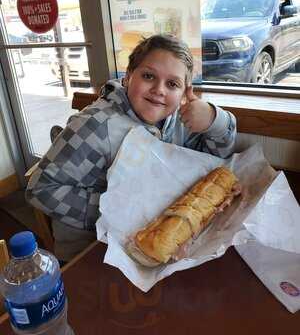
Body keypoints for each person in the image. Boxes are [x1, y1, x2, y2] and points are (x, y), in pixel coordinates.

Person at [26, 34, 237, 261]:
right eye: (148, 76)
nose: (159, 89)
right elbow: (40, 188)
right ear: (127, 77)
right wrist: (123, 209)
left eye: (172, 84)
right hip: (88, 252)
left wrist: (216, 121)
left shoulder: (178, 120)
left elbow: (215, 161)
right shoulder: (94, 126)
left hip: (150, 241)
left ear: (185, 91)